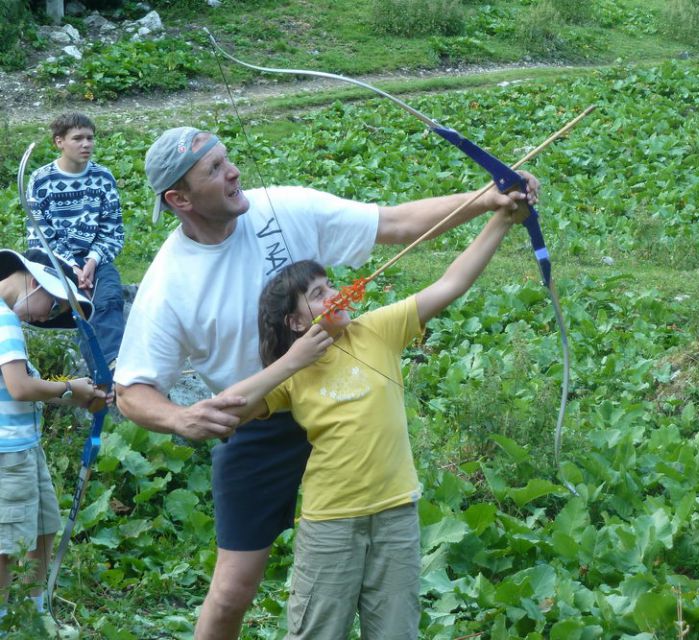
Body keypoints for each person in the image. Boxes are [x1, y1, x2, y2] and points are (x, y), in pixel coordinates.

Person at [112, 126, 538, 640]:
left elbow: (398, 223)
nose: (234, 172)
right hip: (258, 419)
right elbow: (131, 393)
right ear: (179, 199)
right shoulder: (168, 282)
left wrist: (488, 199)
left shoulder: (283, 206)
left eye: (229, 159)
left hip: (348, 408)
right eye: (215, 170)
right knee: (230, 594)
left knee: (381, 575)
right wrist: (180, 418)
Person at [217, 206, 521, 639]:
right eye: (318, 295)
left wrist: (503, 219)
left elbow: (452, 283)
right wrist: (292, 360)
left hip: (396, 512)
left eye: (331, 285)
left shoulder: (376, 328)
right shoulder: (291, 373)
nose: (335, 295)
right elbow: (229, 411)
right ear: (296, 321)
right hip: (331, 523)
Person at [0, 249, 107, 622]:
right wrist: (69, 391)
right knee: (7, 543)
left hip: (23, 446)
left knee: (45, 524)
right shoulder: (4, 319)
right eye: (56, 304)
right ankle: (5, 619)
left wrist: (75, 392)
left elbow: (22, 384)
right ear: (35, 280)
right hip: (7, 452)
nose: (51, 316)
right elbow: (20, 387)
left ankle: (31, 608)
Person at [27, 112, 126, 367]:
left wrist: (92, 261)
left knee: (110, 297)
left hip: (95, 256)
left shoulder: (102, 178)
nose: (86, 144)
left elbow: (112, 229)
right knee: (80, 301)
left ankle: (114, 365)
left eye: (90, 138)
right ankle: (102, 369)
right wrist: (72, 265)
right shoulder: (41, 180)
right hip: (54, 256)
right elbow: (40, 233)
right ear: (59, 141)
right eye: (78, 138)